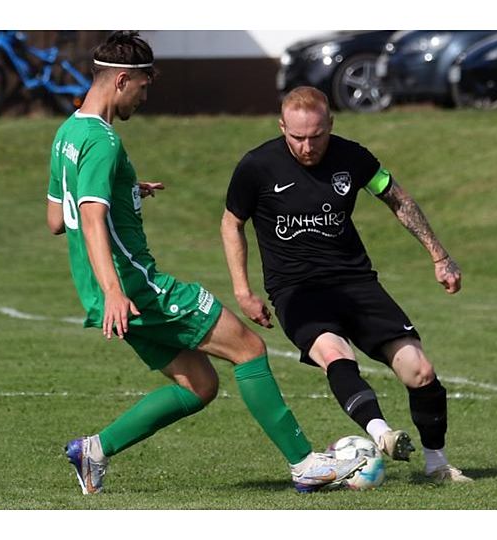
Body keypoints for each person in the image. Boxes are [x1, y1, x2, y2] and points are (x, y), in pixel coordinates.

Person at [47, 32, 365, 495]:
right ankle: (305, 465)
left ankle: (93, 450)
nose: (146, 95)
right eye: (143, 86)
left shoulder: (67, 134)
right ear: (120, 80)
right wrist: (117, 289)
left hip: (102, 292)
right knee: (250, 349)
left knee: (198, 384)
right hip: (135, 288)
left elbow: (59, 218)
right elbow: (91, 218)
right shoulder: (102, 141)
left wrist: (126, 193)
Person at [221, 85, 472, 483]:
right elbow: (232, 222)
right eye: (297, 137)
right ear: (282, 126)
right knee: (336, 355)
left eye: (317, 136)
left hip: (356, 282)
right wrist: (242, 291)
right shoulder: (257, 166)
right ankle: (380, 433)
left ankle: (437, 464)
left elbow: (397, 198)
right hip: (296, 290)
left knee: (420, 371)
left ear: (330, 125)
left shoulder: (352, 158)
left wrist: (439, 256)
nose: (307, 147)